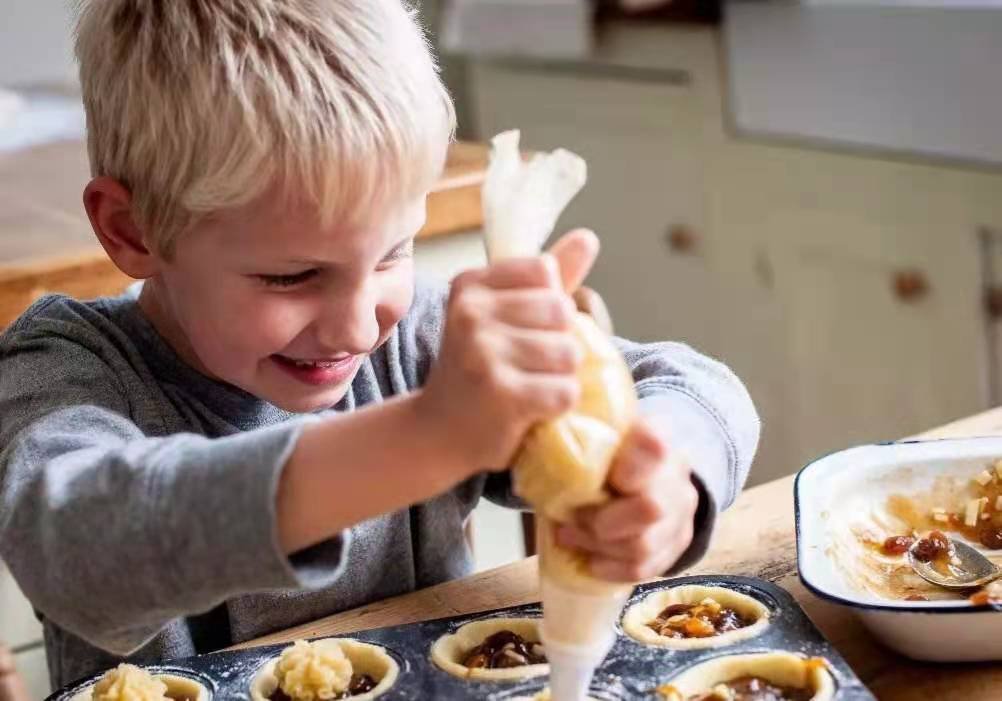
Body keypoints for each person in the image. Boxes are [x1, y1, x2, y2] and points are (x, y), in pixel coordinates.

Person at [0, 0, 759, 690]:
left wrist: (665, 473)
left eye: (396, 252)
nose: (359, 328)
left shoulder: (418, 338)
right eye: (293, 276)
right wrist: (430, 434)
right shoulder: (64, 369)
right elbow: (82, 550)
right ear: (132, 231)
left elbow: (698, 384)